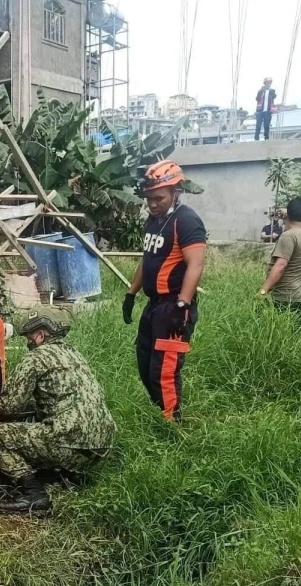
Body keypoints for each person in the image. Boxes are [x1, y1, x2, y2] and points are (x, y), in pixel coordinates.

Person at [0, 316, 116, 514]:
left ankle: (33, 494)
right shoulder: (74, 354)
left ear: (39, 334)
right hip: (103, 443)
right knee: (36, 415)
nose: (28, 341)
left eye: (28, 336)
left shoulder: (35, 358)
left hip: (70, 441)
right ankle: (65, 473)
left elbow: (9, 407)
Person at [122, 160, 207, 421]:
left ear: (175, 192)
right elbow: (148, 259)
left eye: (158, 198)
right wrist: (131, 294)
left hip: (173, 307)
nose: (152, 204)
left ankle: (173, 426)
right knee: (146, 364)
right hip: (154, 306)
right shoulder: (154, 220)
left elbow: (195, 265)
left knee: (164, 371)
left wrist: (182, 305)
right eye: (149, 199)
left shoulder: (187, 220)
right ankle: (162, 414)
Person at [258, 196, 301, 312]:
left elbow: (280, 266)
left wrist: (263, 291)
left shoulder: (288, 236)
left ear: (289, 214)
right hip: (300, 298)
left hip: (284, 299)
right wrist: (288, 212)